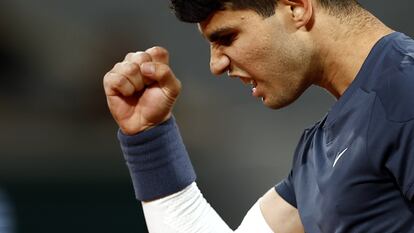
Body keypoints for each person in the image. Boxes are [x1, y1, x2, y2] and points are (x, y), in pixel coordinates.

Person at [103, 0, 414, 232]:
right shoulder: (322, 146)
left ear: (295, 8)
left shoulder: (405, 91)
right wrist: (149, 138)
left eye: (227, 38)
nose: (215, 65)